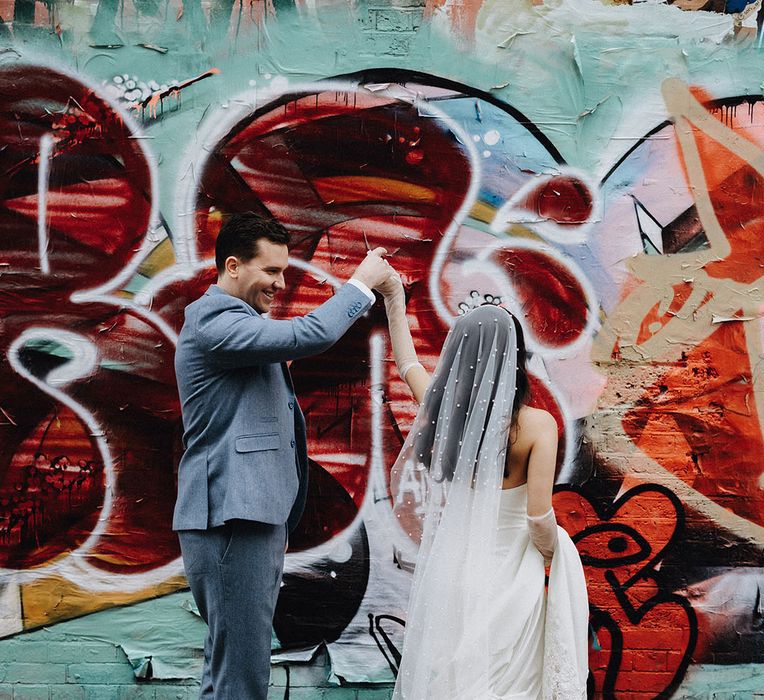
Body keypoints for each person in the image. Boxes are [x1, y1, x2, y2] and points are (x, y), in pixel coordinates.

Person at [172, 212, 392, 700]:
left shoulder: (240, 324)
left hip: (248, 514)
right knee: (242, 675)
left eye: (284, 271)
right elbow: (305, 336)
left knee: (233, 669)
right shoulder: (214, 320)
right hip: (231, 517)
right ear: (232, 266)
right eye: (270, 271)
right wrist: (360, 285)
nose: (280, 283)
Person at [380, 275, 589, 699]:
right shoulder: (538, 425)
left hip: (452, 573)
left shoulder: (445, 416)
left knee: (454, 683)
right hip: (511, 581)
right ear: (515, 358)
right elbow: (537, 518)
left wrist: (392, 300)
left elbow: (407, 365)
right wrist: (558, 552)